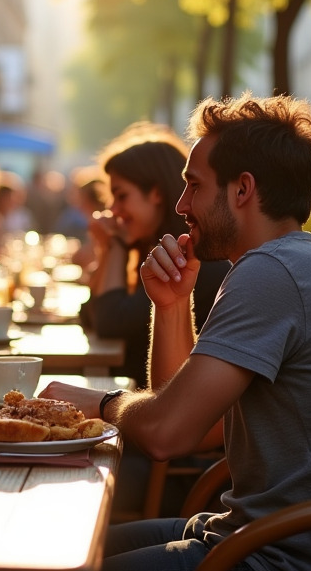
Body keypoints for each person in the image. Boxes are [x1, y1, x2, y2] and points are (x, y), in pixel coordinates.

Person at [43, 93, 311, 571]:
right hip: (253, 537)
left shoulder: (271, 274)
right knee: (64, 539)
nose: (182, 205)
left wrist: (100, 401)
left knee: (51, 559)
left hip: (282, 563)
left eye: (193, 186)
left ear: (243, 190)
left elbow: (167, 434)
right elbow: (194, 421)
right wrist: (173, 306)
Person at [80, 122, 230, 388]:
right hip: (142, 399)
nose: (113, 210)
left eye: (121, 196)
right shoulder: (150, 249)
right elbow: (90, 314)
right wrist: (109, 248)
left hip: (158, 408)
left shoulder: (192, 259)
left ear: (157, 193)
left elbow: (110, 322)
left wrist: (115, 245)